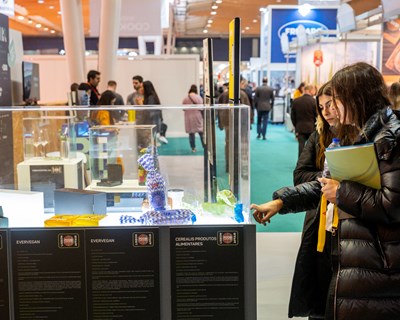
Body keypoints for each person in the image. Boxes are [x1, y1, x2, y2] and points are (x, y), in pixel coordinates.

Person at [251, 62, 400, 320]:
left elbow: (392, 204)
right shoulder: (366, 134)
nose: (332, 109)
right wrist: (281, 202)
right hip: (359, 257)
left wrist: (342, 193)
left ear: (357, 98)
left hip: (378, 265)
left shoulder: (389, 138)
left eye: (338, 100)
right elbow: (326, 181)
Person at [289, 81, 339, 320]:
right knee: (318, 286)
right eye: (322, 106)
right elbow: (300, 175)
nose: (326, 111)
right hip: (319, 220)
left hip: (350, 225)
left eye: (330, 105)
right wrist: (329, 178)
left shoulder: (365, 135)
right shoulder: (320, 134)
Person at [290, 84, 317, 157]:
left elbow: (292, 116)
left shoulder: (296, 101)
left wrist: (296, 125)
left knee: (301, 146)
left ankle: (300, 164)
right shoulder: (314, 101)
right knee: (311, 147)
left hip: (300, 127)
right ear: (310, 90)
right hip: (311, 127)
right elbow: (317, 116)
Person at [182, 84, 204, 152]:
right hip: (197, 116)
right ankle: (204, 146)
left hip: (189, 117)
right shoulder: (199, 97)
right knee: (201, 132)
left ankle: (193, 148)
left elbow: (183, 108)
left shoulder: (185, 98)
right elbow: (202, 107)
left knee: (191, 133)